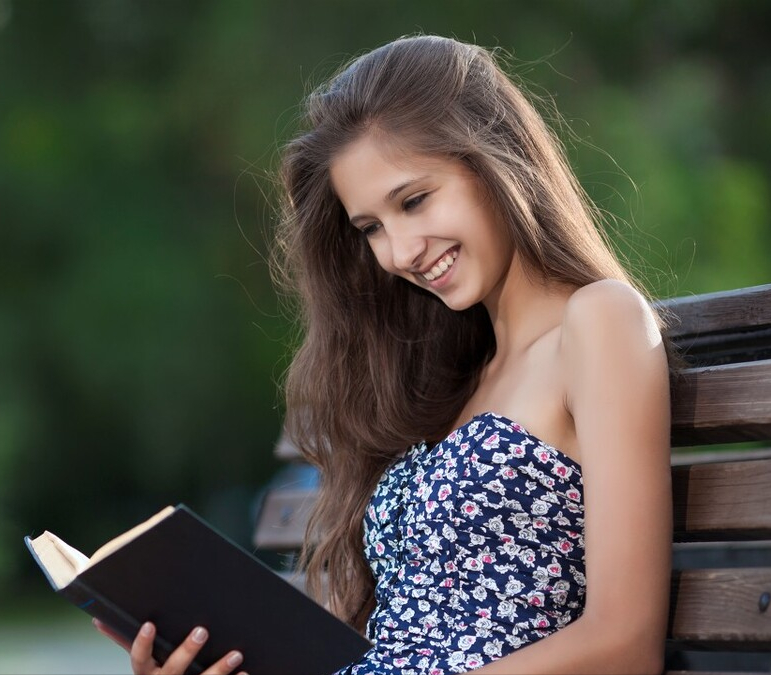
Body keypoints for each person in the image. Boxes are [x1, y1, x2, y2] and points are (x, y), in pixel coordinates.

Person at [95, 34, 673, 675]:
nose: (399, 253)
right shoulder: (450, 377)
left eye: (414, 200)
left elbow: (625, 643)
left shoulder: (599, 321)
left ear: (496, 160)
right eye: (371, 228)